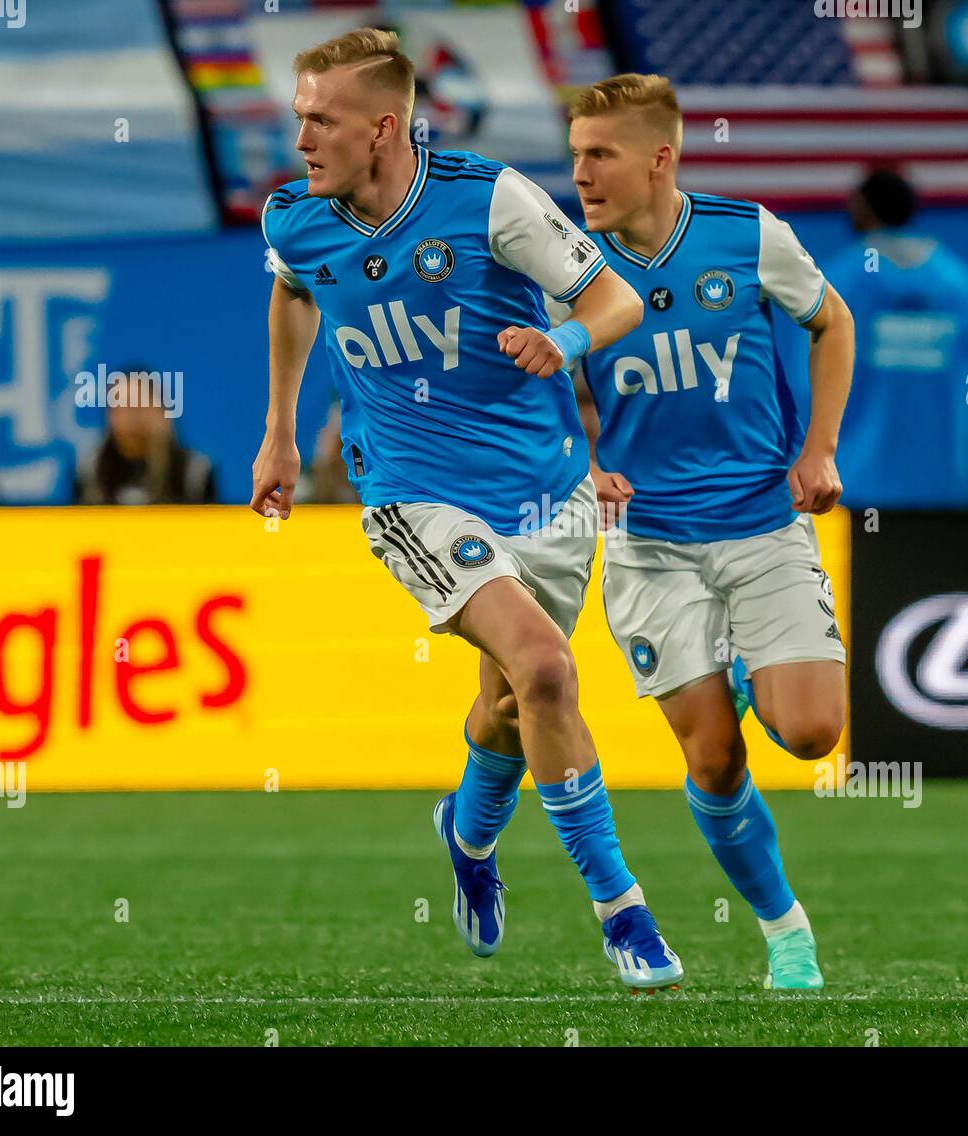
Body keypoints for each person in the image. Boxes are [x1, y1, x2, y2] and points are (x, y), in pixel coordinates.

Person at [250, 30, 683, 988]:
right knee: (546, 667)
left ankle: (468, 834)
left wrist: (565, 341)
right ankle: (625, 914)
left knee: (508, 706)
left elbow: (616, 301)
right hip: (414, 493)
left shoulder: (488, 200)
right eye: (300, 118)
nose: (304, 138)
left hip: (548, 491)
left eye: (322, 120)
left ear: (385, 128)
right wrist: (280, 433)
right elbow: (293, 296)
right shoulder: (296, 218)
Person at [563, 74, 854, 989]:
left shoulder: (747, 235)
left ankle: (744, 672)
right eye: (574, 154)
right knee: (716, 761)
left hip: (764, 527)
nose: (581, 174)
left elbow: (832, 319)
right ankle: (787, 933)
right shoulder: (563, 263)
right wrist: (581, 461)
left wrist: (819, 451)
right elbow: (528, 386)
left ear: (661, 157)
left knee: (809, 735)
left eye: (600, 154)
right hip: (650, 548)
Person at [827, 168, 968, 508]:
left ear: (864, 208)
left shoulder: (841, 280)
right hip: (945, 486)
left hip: (856, 487)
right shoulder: (956, 281)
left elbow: (808, 381)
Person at [77, 370, 215, 505]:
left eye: (139, 407)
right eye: (121, 407)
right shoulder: (91, 472)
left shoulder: (194, 473)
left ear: (163, 412)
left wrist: (158, 452)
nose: (130, 420)